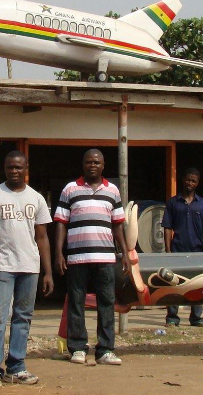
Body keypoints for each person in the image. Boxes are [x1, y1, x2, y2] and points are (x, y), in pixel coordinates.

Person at [0, 151, 54, 387]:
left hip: (30, 267)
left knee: (23, 317)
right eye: (10, 167)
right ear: (5, 167)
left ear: (26, 168)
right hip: (2, 266)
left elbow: (42, 237)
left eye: (18, 167)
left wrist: (48, 271)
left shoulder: (37, 199)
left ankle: (16, 367)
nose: (14, 171)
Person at [54, 149, 130, 366]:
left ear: (103, 165)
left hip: (105, 258)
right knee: (76, 303)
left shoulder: (112, 191)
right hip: (77, 258)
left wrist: (124, 253)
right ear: (83, 164)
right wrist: (59, 253)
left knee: (106, 302)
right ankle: (77, 348)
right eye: (88, 162)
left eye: (96, 162)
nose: (92, 165)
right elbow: (61, 223)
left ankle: (105, 349)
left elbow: (118, 225)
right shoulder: (70, 189)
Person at [162, 168, 203, 327]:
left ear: (197, 183)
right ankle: (172, 318)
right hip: (177, 250)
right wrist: (168, 250)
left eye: (193, 181)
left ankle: (196, 317)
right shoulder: (173, 202)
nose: (190, 183)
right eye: (188, 180)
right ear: (183, 180)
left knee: (198, 285)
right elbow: (167, 227)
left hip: (198, 251)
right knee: (173, 285)